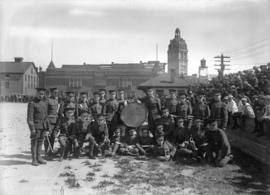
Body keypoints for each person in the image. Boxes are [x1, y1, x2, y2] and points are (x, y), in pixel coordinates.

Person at [27, 87, 49, 166]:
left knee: (40, 142)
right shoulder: (32, 103)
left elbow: (46, 117)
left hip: (43, 127)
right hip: (36, 127)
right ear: (36, 94)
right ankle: (34, 159)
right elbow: (30, 118)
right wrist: (32, 129)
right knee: (34, 143)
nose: (41, 95)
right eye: (39, 94)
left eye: (42, 94)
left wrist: (47, 128)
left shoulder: (44, 103)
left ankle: (39, 158)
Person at [44, 87, 59, 160]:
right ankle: (46, 153)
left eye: (57, 92)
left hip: (55, 121)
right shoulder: (47, 100)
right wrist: (47, 124)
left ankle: (51, 152)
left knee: (53, 137)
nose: (56, 93)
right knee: (47, 138)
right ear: (51, 92)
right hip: (49, 122)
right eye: (55, 92)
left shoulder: (56, 100)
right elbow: (45, 113)